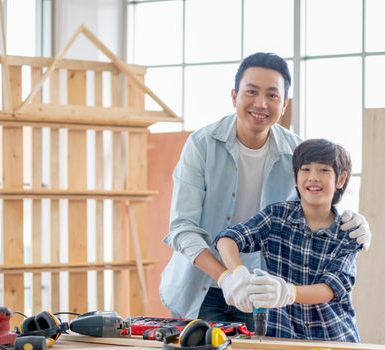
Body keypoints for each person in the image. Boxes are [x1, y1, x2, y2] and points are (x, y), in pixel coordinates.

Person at [159, 52, 371, 328]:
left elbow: (311, 207)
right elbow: (182, 227)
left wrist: (348, 220)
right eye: (251, 92)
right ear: (234, 96)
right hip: (200, 285)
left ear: (284, 105)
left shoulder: (297, 152)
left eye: (272, 95)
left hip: (263, 290)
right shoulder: (202, 145)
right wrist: (227, 277)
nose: (261, 103)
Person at [215, 138, 361, 341]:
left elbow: (329, 289)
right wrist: (238, 273)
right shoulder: (276, 216)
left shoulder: (348, 233)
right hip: (282, 337)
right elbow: (227, 239)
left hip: (334, 338)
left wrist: (288, 292)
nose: (313, 178)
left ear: (341, 179)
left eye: (324, 170)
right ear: (295, 177)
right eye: (306, 169)